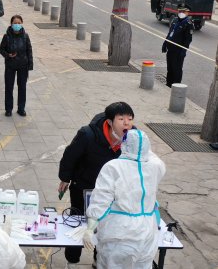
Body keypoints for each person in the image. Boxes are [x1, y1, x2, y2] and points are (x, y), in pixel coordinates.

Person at [58, 101, 135, 268]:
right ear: (109, 122)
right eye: (121, 119)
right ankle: (72, 261)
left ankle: (98, 260)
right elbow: (70, 156)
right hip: (83, 187)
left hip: (111, 193)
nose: (127, 123)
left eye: (130, 118)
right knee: (77, 222)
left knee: (105, 227)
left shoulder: (134, 138)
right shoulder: (88, 134)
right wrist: (65, 178)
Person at [83, 129, 166, 269]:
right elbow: (148, 153)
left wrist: (90, 229)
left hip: (119, 234)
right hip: (147, 234)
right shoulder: (156, 167)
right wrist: (140, 142)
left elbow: (101, 201)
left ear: (124, 145)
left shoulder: (113, 167)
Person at [0, 15, 33, 117]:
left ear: (22, 24)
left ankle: (21, 108)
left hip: (23, 66)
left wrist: (30, 65)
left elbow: (29, 51)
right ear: (11, 24)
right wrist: (8, 55)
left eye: (19, 23)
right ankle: (8, 109)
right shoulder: (7, 36)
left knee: (22, 87)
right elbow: (1, 49)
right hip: (10, 65)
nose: (17, 25)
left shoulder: (25, 36)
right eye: (15, 23)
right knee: (9, 87)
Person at [162, 5, 193, 87]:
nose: (181, 13)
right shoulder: (175, 20)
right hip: (170, 49)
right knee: (170, 68)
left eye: (183, 11)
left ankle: (176, 86)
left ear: (187, 13)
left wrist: (183, 51)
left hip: (178, 51)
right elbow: (170, 34)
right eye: (180, 11)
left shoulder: (188, 24)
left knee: (177, 70)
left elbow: (188, 40)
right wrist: (165, 44)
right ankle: (168, 84)